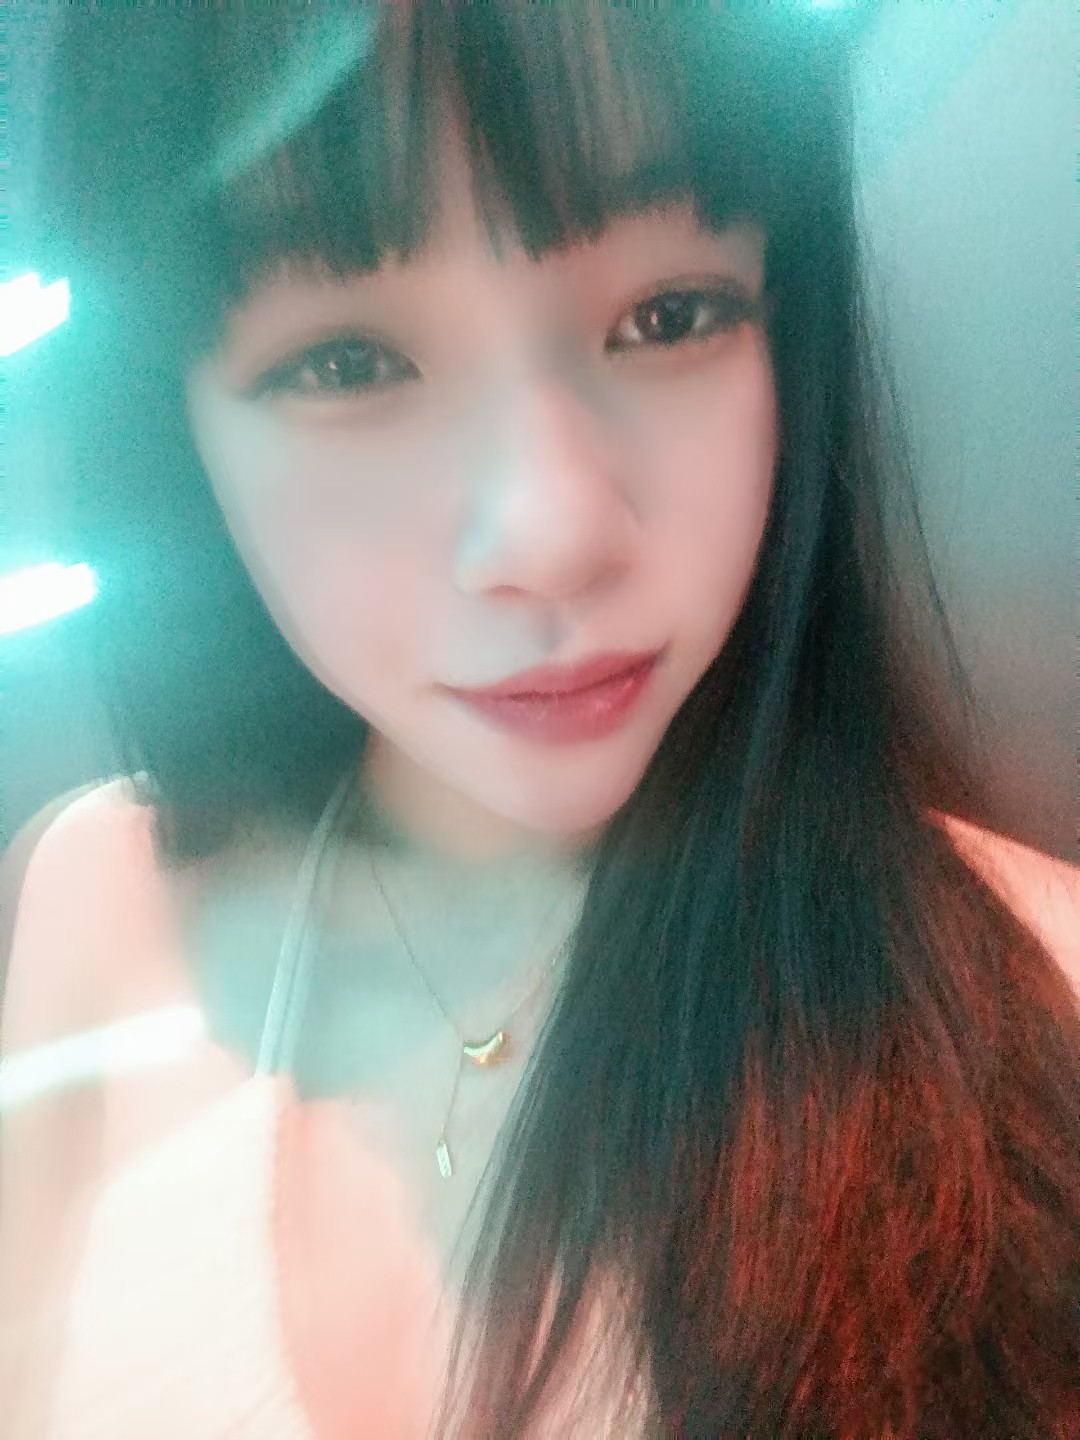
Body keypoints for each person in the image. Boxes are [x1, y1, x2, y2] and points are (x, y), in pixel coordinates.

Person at [1, 6, 1078, 1437]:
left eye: (671, 315)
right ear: (173, 426)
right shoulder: (101, 899)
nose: (554, 532)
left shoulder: (1050, 1003)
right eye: (347, 362)